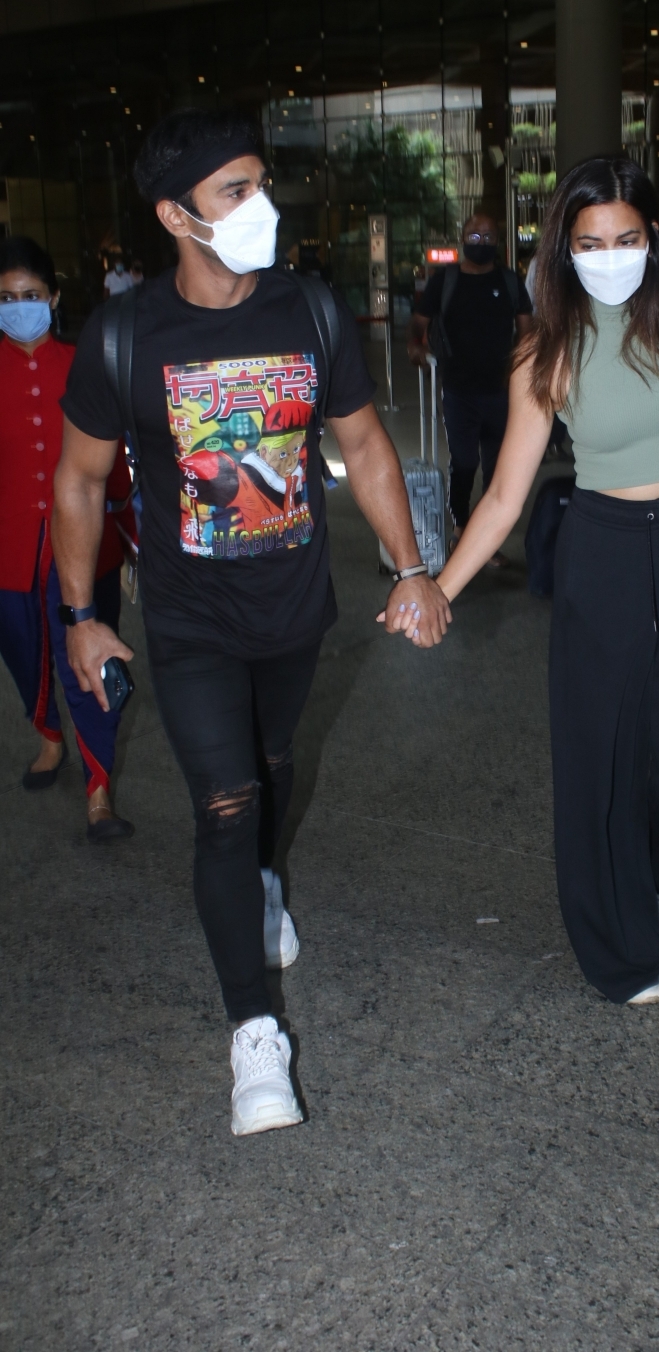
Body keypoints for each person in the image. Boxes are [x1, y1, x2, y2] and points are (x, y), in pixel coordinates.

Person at [53, 109, 451, 1137]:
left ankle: (266, 880)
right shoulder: (124, 335)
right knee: (224, 803)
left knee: (271, 765)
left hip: (293, 609)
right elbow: (80, 481)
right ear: (176, 215)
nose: (259, 206)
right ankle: (253, 1034)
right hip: (187, 621)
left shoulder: (308, 310)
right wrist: (81, 616)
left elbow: (365, 445)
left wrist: (412, 568)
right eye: (235, 191)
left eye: (259, 184)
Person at [390, 158, 659, 1007]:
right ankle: (618, 949)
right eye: (589, 243)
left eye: (625, 238)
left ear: (653, 239)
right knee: (603, 759)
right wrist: (439, 584)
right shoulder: (546, 348)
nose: (609, 256)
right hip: (606, 552)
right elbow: (505, 497)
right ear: (565, 249)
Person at [0, 236, 135, 840]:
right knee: (24, 652)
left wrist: (130, 535)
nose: (18, 307)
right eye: (6, 298)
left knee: (89, 661)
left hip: (82, 546)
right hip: (9, 548)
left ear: (53, 298)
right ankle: (50, 735)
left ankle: (98, 788)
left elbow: (114, 463)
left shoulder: (85, 363)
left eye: (29, 295)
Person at [407, 213, 533, 563]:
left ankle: (487, 539)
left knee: (496, 468)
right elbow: (418, 322)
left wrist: (523, 372)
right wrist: (415, 345)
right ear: (462, 239)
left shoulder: (510, 282)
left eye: (488, 236)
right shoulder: (444, 281)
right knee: (463, 462)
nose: (481, 242)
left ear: (498, 241)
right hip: (458, 390)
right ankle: (461, 527)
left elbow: (526, 333)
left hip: (501, 392)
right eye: (474, 236)